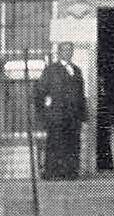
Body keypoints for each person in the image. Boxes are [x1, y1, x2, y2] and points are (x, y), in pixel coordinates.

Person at [34, 41, 87, 180]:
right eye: (64, 50)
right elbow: (40, 92)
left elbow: (81, 94)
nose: (68, 53)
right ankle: (53, 173)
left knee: (73, 144)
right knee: (56, 144)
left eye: (70, 50)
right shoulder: (51, 70)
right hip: (57, 115)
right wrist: (45, 113)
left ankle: (70, 173)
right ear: (59, 52)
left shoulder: (77, 70)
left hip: (74, 116)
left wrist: (83, 115)